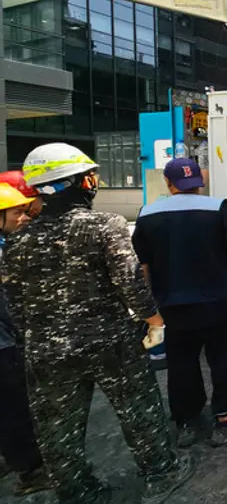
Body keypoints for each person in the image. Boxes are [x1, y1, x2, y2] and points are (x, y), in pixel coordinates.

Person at [3, 142, 194, 504]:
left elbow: (16, 306)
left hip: (45, 350)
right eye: (90, 177)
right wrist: (155, 321)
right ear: (76, 182)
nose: (94, 183)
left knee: (57, 429)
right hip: (110, 343)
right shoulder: (104, 225)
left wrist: (37, 338)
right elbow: (130, 283)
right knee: (139, 410)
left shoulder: (18, 241)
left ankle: (77, 492)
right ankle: (161, 472)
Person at [132, 157, 227, 449]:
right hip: (218, 303)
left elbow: (144, 266)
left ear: (168, 183)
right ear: (199, 183)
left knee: (181, 362)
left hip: (173, 306)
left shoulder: (147, 214)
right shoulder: (219, 209)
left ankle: (187, 422)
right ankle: (226, 420)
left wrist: (152, 303)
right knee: (224, 358)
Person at [0, 184, 51, 497]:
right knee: (14, 408)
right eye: (16, 213)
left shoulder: (7, 245)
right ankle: (31, 471)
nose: (23, 218)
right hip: (4, 346)